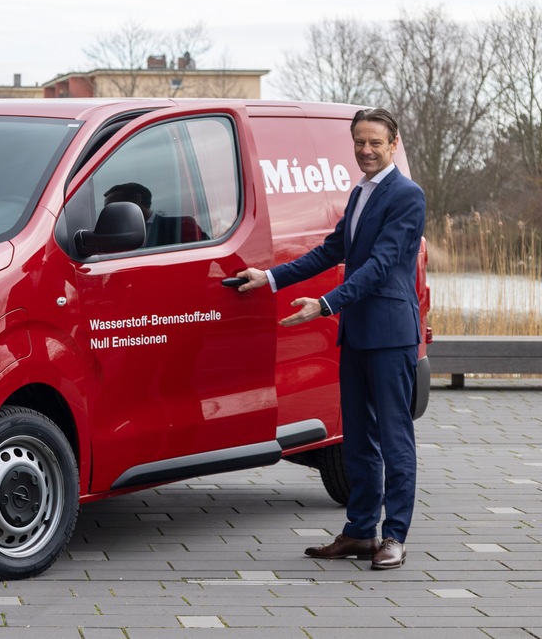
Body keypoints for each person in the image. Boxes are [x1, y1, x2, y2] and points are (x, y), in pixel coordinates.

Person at [235, 107, 425, 570]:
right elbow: (332, 250)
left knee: (395, 440)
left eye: (375, 142)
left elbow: (380, 266)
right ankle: (361, 532)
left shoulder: (407, 196)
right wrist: (272, 277)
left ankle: (394, 536)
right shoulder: (359, 193)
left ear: (393, 144)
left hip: (391, 336)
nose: (366, 150)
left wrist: (324, 305)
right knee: (357, 439)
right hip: (357, 335)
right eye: (360, 141)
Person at [103, 182, 205, 247]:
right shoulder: (114, 235)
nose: (111, 212)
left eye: (114, 206)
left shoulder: (180, 226)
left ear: (137, 199)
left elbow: (203, 257)